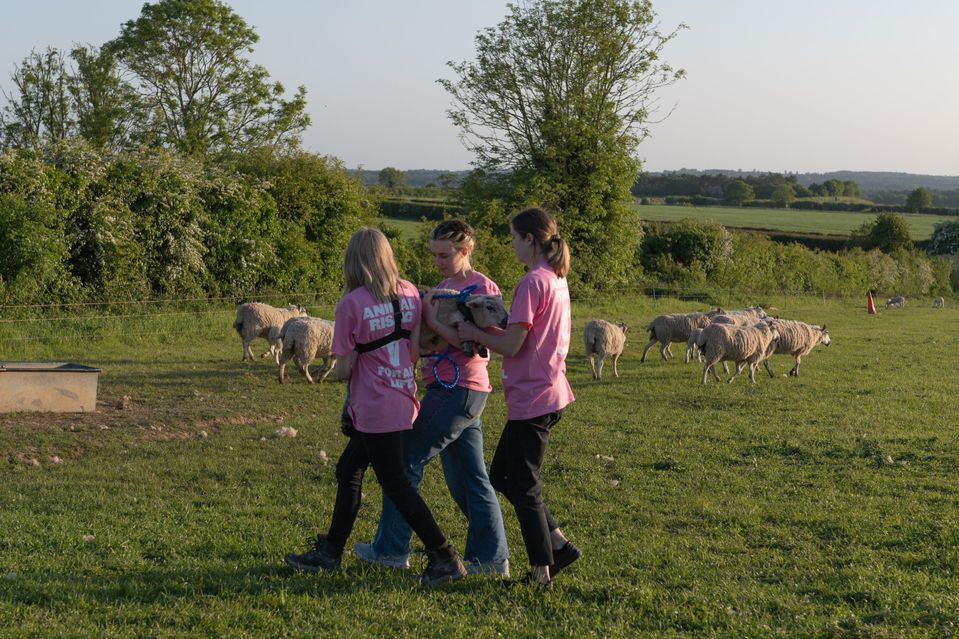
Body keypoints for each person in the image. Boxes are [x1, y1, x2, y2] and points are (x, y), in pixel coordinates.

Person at [284, 227, 466, 586]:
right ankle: (331, 550)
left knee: (395, 484)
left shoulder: (351, 303)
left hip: (372, 406)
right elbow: (414, 351)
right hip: (402, 397)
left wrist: (359, 359)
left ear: (353, 261)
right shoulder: (409, 292)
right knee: (348, 470)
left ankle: (444, 555)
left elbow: (345, 369)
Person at [353, 219, 510, 576]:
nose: (438, 261)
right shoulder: (443, 287)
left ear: (465, 251)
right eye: (434, 255)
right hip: (455, 391)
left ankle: (391, 549)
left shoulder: (480, 286)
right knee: (469, 478)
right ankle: (490, 559)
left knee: (404, 462)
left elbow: (478, 347)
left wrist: (434, 324)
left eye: (445, 255)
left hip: (458, 389)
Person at [457, 207, 580, 588]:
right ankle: (558, 544)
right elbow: (522, 333)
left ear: (529, 239)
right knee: (502, 476)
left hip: (534, 396)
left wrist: (473, 333)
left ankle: (542, 571)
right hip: (548, 390)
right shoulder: (554, 278)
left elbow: (512, 344)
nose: (511, 244)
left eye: (513, 237)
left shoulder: (532, 282)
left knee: (524, 485)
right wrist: (488, 323)